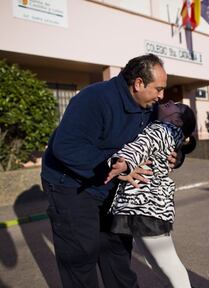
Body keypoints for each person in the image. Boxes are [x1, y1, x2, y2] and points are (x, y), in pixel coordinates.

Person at [41, 54, 180, 287]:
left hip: (111, 189)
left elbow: (167, 133)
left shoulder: (148, 106)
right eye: (158, 89)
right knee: (81, 256)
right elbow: (66, 147)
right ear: (138, 83)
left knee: (116, 250)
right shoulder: (94, 99)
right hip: (70, 184)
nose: (161, 96)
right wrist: (117, 166)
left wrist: (177, 155)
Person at [105, 100, 196, 288]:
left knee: (167, 264)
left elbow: (142, 145)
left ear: (177, 120)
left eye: (175, 106)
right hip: (144, 206)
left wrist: (123, 162)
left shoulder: (162, 130)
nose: (168, 101)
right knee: (159, 264)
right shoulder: (163, 127)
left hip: (147, 207)